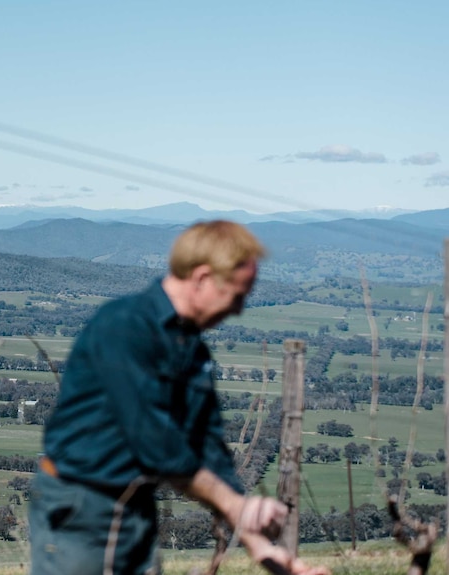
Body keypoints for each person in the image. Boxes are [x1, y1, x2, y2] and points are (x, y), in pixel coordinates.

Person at [28, 220, 329, 575]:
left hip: (135, 507)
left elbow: (208, 447)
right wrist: (235, 505)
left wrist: (262, 547)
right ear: (202, 278)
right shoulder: (125, 327)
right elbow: (154, 441)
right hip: (80, 508)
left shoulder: (193, 351)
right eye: (236, 296)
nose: (238, 310)